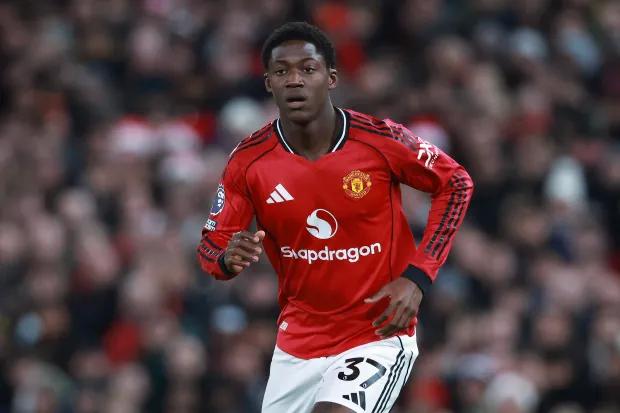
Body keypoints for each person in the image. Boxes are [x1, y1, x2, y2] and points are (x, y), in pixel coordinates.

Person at [197, 22, 474, 413]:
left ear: (331, 78)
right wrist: (227, 259)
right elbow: (210, 247)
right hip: (298, 343)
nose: (295, 80)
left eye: (307, 69)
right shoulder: (248, 162)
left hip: (376, 333)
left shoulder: (381, 140)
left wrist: (418, 277)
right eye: (282, 71)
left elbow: (456, 184)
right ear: (268, 83)